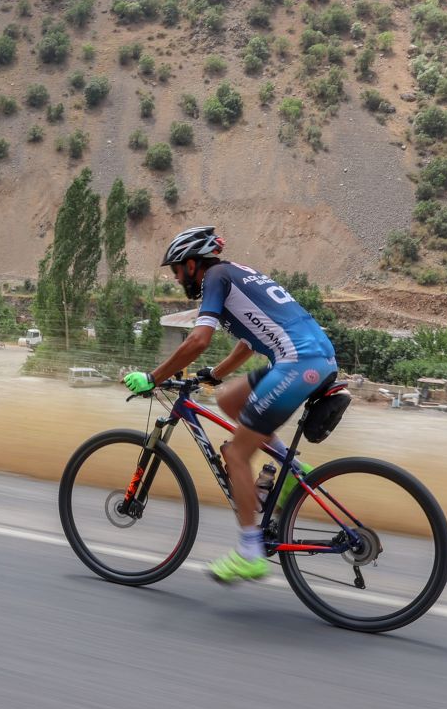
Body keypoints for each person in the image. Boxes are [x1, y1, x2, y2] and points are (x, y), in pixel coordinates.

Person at [123, 226, 337, 583]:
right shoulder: (238, 274)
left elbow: (198, 339)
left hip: (299, 363)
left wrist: (153, 377)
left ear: (193, 264)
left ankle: (250, 552)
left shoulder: (216, 278)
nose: (176, 278)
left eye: (176, 269)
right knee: (229, 399)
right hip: (312, 359)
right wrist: (215, 375)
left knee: (237, 454)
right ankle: (289, 472)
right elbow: (248, 343)